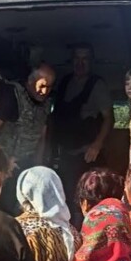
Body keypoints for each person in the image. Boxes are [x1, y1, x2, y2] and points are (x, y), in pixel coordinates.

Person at [48, 44, 114, 226]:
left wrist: (97, 145)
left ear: (91, 61)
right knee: (66, 197)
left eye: (85, 59)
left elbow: (109, 118)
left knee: (87, 198)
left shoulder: (97, 85)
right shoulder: (64, 83)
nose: (80, 63)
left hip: (87, 155)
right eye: (77, 58)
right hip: (65, 154)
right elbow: (54, 116)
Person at [0, 64, 57, 214]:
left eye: (49, 87)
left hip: (26, 168)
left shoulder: (46, 104)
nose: (45, 91)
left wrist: (38, 167)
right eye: (42, 86)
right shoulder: (12, 97)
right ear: (31, 81)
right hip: (3, 166)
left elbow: (42, 137)